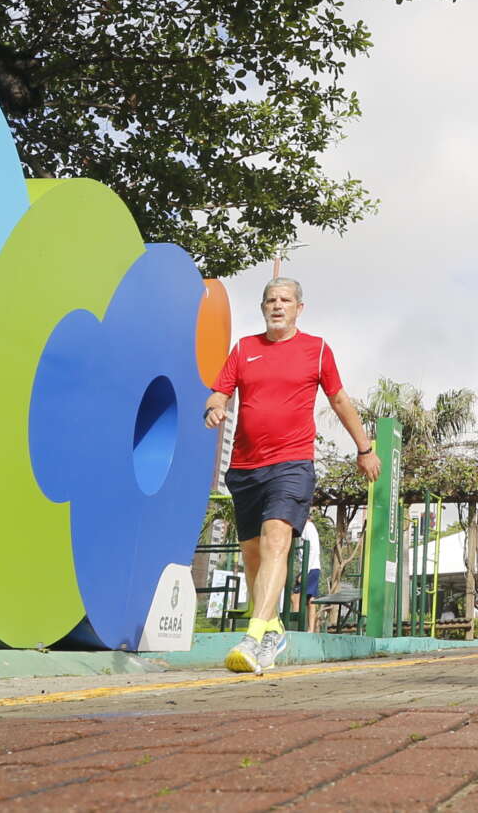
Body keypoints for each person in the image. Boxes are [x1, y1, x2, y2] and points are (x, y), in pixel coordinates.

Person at [205, 276, 379, 673]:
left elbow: (338, 399)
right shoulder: (244, 349)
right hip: (246, 467)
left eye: (285, 299)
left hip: (292, 462)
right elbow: (220, 391)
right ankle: (271, 628)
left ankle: (252, 638)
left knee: (276, 540)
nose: (277, 305)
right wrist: (213, 408)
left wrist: (364, 448)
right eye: (270, 300)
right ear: (262, 307)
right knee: (252, 553)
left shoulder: (316, 350)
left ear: (299, 308)